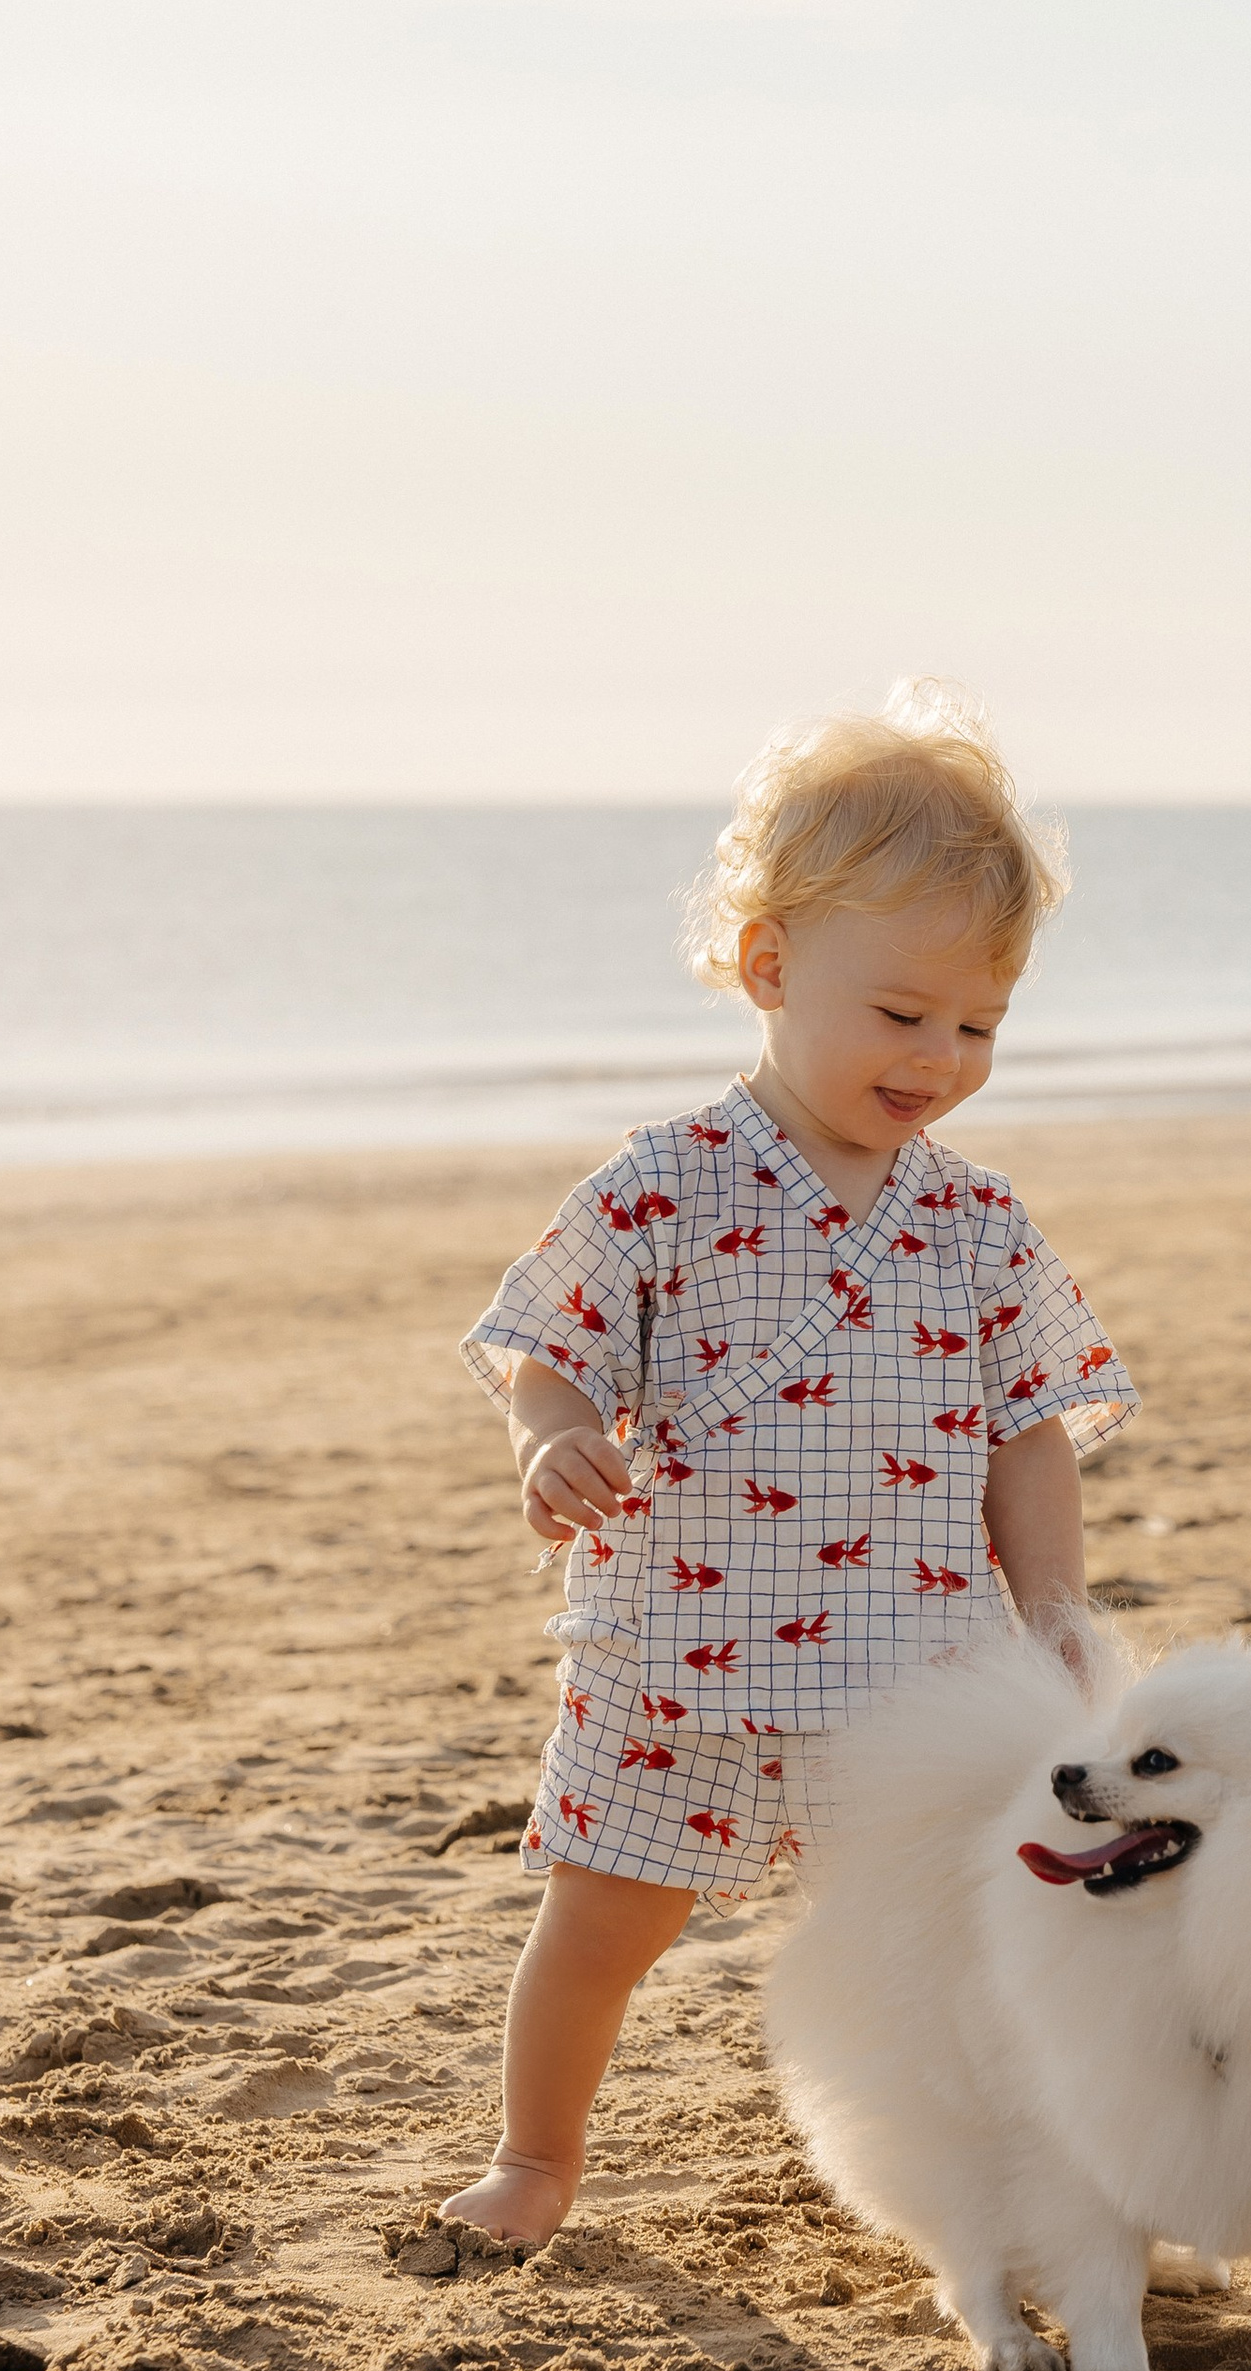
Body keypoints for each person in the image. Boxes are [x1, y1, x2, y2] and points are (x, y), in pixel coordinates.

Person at [437, 684, 1139, 2246]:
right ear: (771, 965)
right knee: (601, 1923)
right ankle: (537, 2159)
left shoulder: (977, 1221)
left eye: (980, 1024)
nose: (942, 1056)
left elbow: (1028, 1426)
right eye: (903, 1015)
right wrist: (552, 1430)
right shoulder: (665, 1183)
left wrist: (1058, 1606)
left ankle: (1010, 2184)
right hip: (683, 1657)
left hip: (911, 1661)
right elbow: (550, 1339)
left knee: (961, 1938)